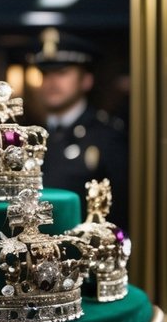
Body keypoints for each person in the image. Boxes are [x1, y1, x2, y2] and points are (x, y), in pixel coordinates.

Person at [27, 27, 129, 230]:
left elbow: (121, 211)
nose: (51, 82)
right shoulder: (30, 137)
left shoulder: (106, 136)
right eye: (45, 73)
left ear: (86, 80)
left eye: (62, 72)